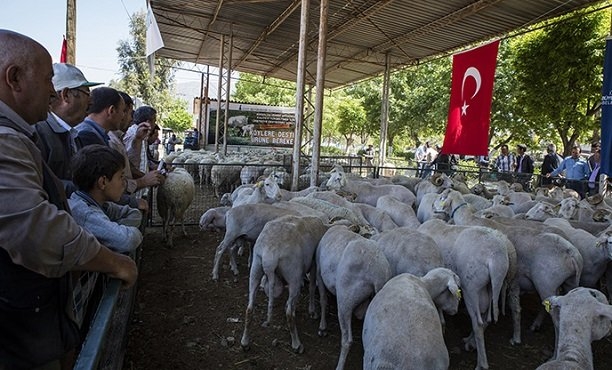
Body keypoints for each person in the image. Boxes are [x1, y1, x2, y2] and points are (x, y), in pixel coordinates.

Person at [0, 29, 137, 369]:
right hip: (16, 327)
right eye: (47, 79)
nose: (51, 91)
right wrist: (115, 262)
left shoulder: (22, 134)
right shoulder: (6, 142)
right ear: (14, 78)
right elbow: (39, 232)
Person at [35, 63, 102, 197]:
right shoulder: (38, 133)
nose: (91, 102)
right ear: (66, 95)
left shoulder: (70, 133)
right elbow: (39, 186)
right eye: (86, 94)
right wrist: (87, 190)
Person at [69, 145, 143, 253]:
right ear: (103, 182)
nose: (124, 183)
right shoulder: (85, 213)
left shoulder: (102, 205)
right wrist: (115, 232)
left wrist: (112, 229)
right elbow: (129, 240)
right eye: (121, 177)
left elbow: (134, 213)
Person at [123, 106, 157, 174]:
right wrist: (142, 179)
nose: (155, 124)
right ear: (148, 122)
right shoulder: (133, 134)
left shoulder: (142, 134)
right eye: (154, 121)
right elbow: (131, 163)